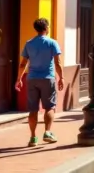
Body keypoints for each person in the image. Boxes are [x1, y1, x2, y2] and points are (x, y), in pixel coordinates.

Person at [15, 18, 64, 147]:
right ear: (46, 28)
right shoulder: (52, 43)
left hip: (32, 79)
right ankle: (47, 132)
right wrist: (61, 77)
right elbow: (57, 63)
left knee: (33, 109)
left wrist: (19, 79)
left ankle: (33, 137)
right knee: (49, 107)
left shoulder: (29, 43)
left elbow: (23, 64)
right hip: (48, 78)